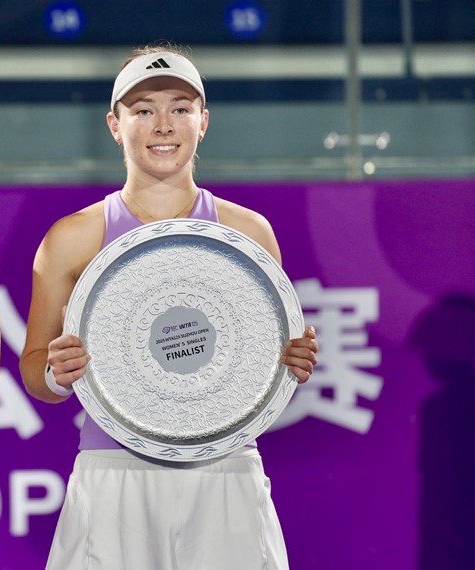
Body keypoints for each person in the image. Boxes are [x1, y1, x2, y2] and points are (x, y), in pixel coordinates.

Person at [19, 44, 319, 569]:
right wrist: (57, 373)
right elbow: (35, 370)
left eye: (180, 108)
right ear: (115, 125)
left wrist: (291, 362)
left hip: (226, 469)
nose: (163, 125)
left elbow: (263, 368)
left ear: (203, 121)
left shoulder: (249, 233)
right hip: (113, 471)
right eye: (144, 110)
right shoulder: (70, 237)